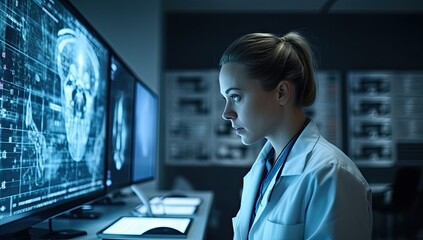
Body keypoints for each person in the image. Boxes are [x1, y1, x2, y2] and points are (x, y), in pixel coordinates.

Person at [219, 32, 372, 240]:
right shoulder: (261, 171)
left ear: (281, 92)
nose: (226, 113)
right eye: (225, 99)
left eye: (235, 96)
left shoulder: (332, 175)